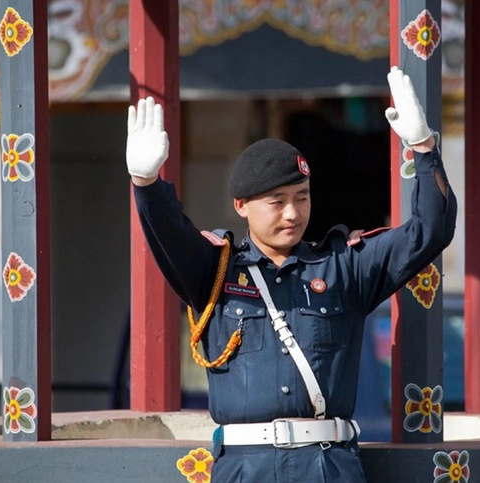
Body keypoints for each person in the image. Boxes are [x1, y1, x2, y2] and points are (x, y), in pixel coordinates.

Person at [126, 66, 457, 482]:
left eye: (302, 197)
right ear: (241, 205)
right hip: (246, 469)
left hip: (326, 467)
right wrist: (147, 183)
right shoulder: (213, 270)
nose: (292, 213)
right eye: (276, 201)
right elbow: (168, 234)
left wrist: (423, 147)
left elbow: (431, 231)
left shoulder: (344, 268)